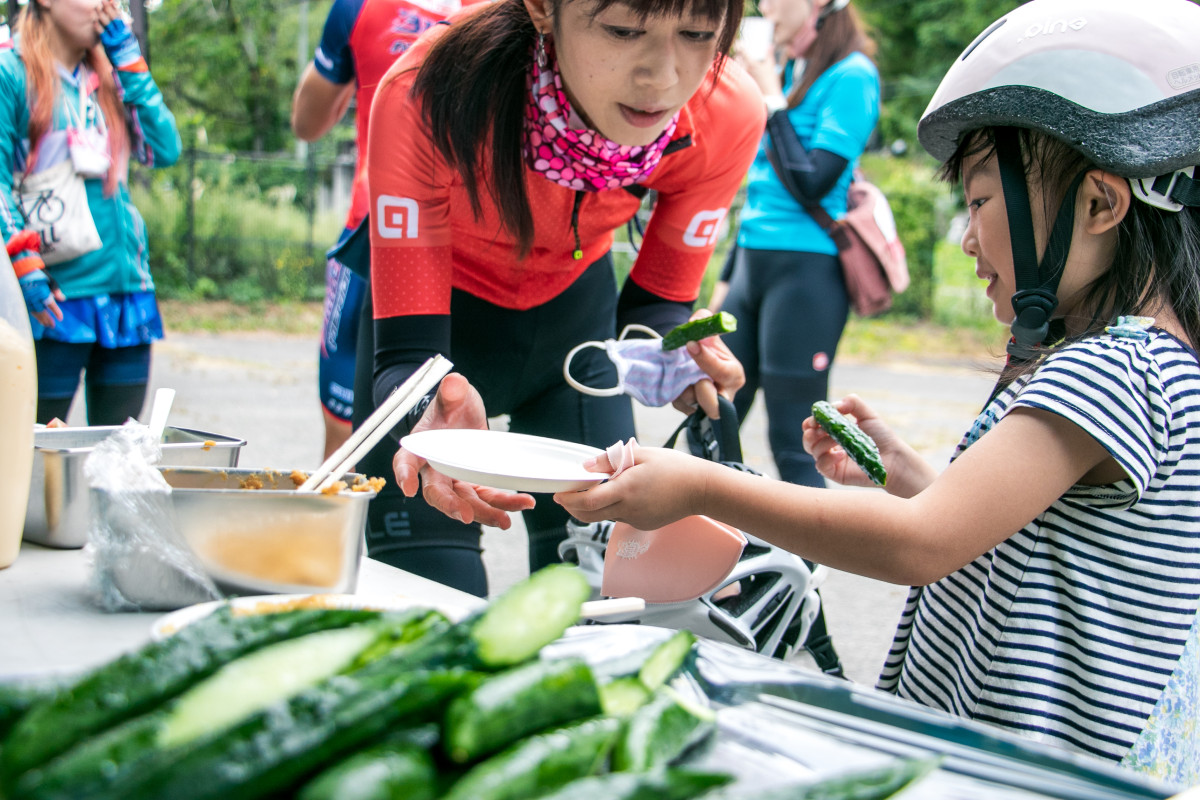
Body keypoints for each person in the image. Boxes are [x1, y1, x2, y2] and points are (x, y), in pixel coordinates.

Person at [556, 0, 1200, 780]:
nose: (966, 237)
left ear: (1100, 204)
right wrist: (905, 477)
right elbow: (1024, 535)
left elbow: (923, 544)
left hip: (1026, 776)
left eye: (980, 201)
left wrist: (699, 486)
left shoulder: (1111, 370)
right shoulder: (1153, 364)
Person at [360, 0, 765, 596]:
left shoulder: (726, 111)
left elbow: (655, 307)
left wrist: (674, 359)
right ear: (544, 8)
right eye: (624, 30)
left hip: (572, 332)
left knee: (592, 610)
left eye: (698, 34)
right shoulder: (427, 90)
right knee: (432, 612)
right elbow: (406, 352)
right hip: (438, 331)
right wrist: (417, 394)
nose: (663, 76)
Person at [291, 0, 478, 460]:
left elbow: (307, 122)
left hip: (385, 228)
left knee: (349, 441)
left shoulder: (357, 7)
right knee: (451, 417)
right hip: (478, 244)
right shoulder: (513, 9)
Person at [719, 0, 879, 488]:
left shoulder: (852, 76)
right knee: (714, 417)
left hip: (808, 272)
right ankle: (709, 552)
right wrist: (727, 281)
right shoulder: (789, 70)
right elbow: (760, 187)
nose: (763, 7)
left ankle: (809, 563)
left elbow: (812, 182)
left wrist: (771, 98)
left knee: (794, 438)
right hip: (752, 264)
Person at [1, 0, 180, 426]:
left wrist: (129, 62)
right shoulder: (10, 71)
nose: (108, 7)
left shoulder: (110, 74)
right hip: (54, 301)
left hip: (126, 295)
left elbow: (164, 150)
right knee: (32, 456)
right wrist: (21, 264)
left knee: (117, 460)